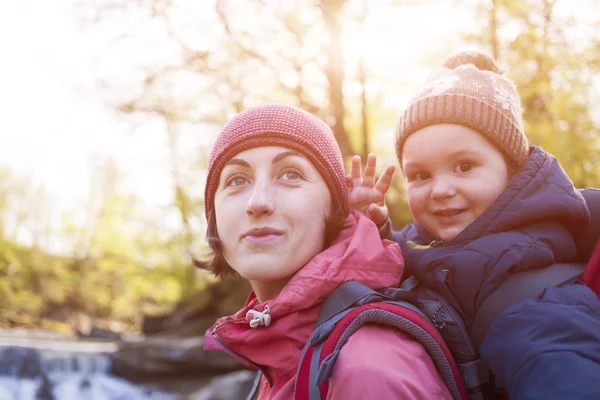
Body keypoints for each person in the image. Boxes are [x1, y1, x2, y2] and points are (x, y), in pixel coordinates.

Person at [348, 50, 600, 399]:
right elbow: (405, 258)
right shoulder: (428, 241)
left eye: (464, 166)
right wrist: (373, 228)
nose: (441, 190)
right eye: (420, 175)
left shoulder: (534, 302)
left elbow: (562, 373)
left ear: (514, 172)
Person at [197, 103, 453, 399]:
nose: (258, 202)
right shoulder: (282, 341)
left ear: (335, 207)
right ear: (213, 215)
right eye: (237, 180)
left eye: (290, 174)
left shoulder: (366, 374)